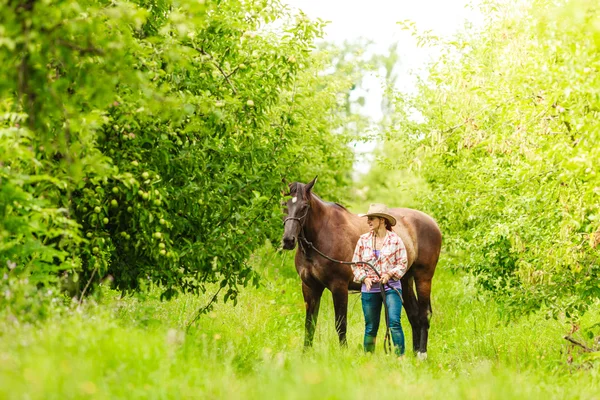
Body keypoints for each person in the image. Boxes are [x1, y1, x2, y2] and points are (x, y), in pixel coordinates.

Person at [352, 203, 408, 357]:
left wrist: (389, 274)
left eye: (372, 218)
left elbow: (403, 263)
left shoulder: (395, 240)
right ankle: (368, 359)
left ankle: (400, 358)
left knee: (394, 323)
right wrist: (364, 278)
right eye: (368, 218)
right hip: (370, 289)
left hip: (391, 287)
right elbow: (356, 264)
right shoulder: (363, 240)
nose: (368, 221)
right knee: (370, 327)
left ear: (382, 220)